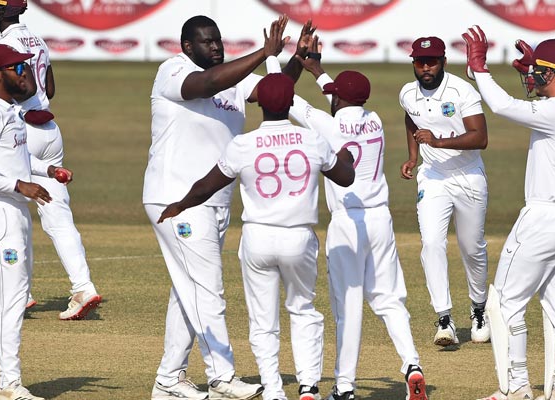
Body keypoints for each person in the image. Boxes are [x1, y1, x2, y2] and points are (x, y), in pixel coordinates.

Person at [144, 14, 317, 400]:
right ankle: (221, 377)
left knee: (187, 290)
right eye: (207, 42)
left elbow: (275, 91)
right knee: (208, 289)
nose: (216, 47)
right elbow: (206, 84)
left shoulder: (232, 76)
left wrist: (295, 60)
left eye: (218, 40)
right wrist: (264, 53)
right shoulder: (173, 70)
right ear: (188, 46)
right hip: (177, 198)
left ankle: (169, 379)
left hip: (214, 199)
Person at [157, 73, 355, 400]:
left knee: (263, 321)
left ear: (259, 102)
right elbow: (345, 177)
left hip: (258, 239)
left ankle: (274, 391)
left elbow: (208, 185)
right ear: (291, 102)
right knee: (303, 310)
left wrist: (179, 205)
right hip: (298, 238)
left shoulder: (242, 144)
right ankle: (308, 386)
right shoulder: (311, 140)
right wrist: (344, 152)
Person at [281, 37, 427, 400]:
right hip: (380, 219)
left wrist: (280, 61)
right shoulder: (374, 120)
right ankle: (412, 365)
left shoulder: (329, 127)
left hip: (348, 223)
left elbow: (283, 98)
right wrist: (318, 70)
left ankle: (344, 387)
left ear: (339, 100)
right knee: (390, 299)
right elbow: (339, 96)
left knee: (348, 307)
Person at [462, 26, 555, 400]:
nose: (530, 76)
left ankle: (515, 388)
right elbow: (539, 95)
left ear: (550, 73)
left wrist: (479, 67)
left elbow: (502, 106)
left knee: (503, 304)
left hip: (543, 218)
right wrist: (530, 69)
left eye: (537, 71)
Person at [0, 0, 102, 320]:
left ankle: (16, 293)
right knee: (58, 215)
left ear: (3, 11)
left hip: (19, 133)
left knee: (3, 210)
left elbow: (18, 91)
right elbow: (49, 88)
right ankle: (83, 287)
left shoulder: (4, 46)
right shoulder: (38, 40)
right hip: (50, 131)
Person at [0, 43, 72, 400]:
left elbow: (12, 160)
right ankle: (10, 384)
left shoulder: (9, 110)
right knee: (14, 300)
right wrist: (19, 185)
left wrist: (47, 170)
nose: (25, 73)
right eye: (17, 68)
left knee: (3, 303)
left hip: (12, 211)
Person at [398, 36, 490, 346]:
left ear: (443, 62)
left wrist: (437, 141)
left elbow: (480, 137)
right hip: (434, 177)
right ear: (413, 63)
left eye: (432, 61)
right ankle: (444, 319)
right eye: (420, 62)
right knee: (432, 244)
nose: (426, 67)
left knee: (471, 247)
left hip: (468, 176)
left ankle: (479, 310)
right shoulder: (407, 93)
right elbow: (411, 120)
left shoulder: (462, 91)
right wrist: (414, 156)